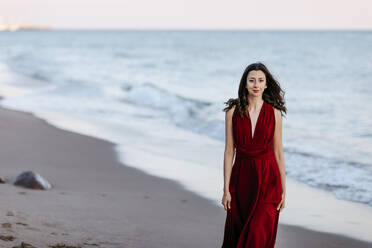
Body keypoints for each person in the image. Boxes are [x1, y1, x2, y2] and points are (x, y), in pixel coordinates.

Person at [221, 62, 287, 248]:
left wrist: (283, 188)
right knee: (238, 233)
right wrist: (226, 189)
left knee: (258, 233)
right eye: (251, 81)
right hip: (241, 180)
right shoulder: (232, 112)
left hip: (269, 180)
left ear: (266, 85)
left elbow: (279, 153)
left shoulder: (274, 113)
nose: (256, 85)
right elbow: (228, 152)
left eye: (260, 81)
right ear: (245, 84)